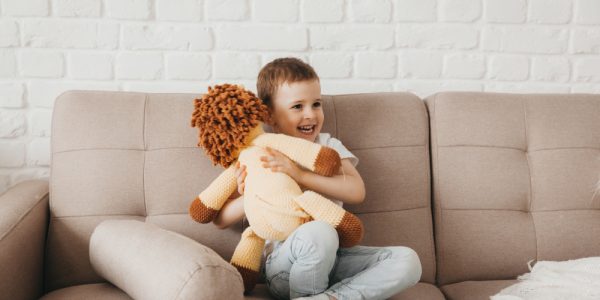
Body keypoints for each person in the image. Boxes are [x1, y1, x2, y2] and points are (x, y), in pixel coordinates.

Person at [212, 57, 422, 300]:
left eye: (316, 104)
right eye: (297, 107)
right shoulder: (261, 153)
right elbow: (220, 221)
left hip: (334, 259)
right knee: (319, 231)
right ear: (269, 116)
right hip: (285, 264)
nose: (310, 115)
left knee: (408, 260)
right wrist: (248, 195)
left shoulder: (327, 147)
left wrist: (299, 175)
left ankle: (329, 298)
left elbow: (356, 191)